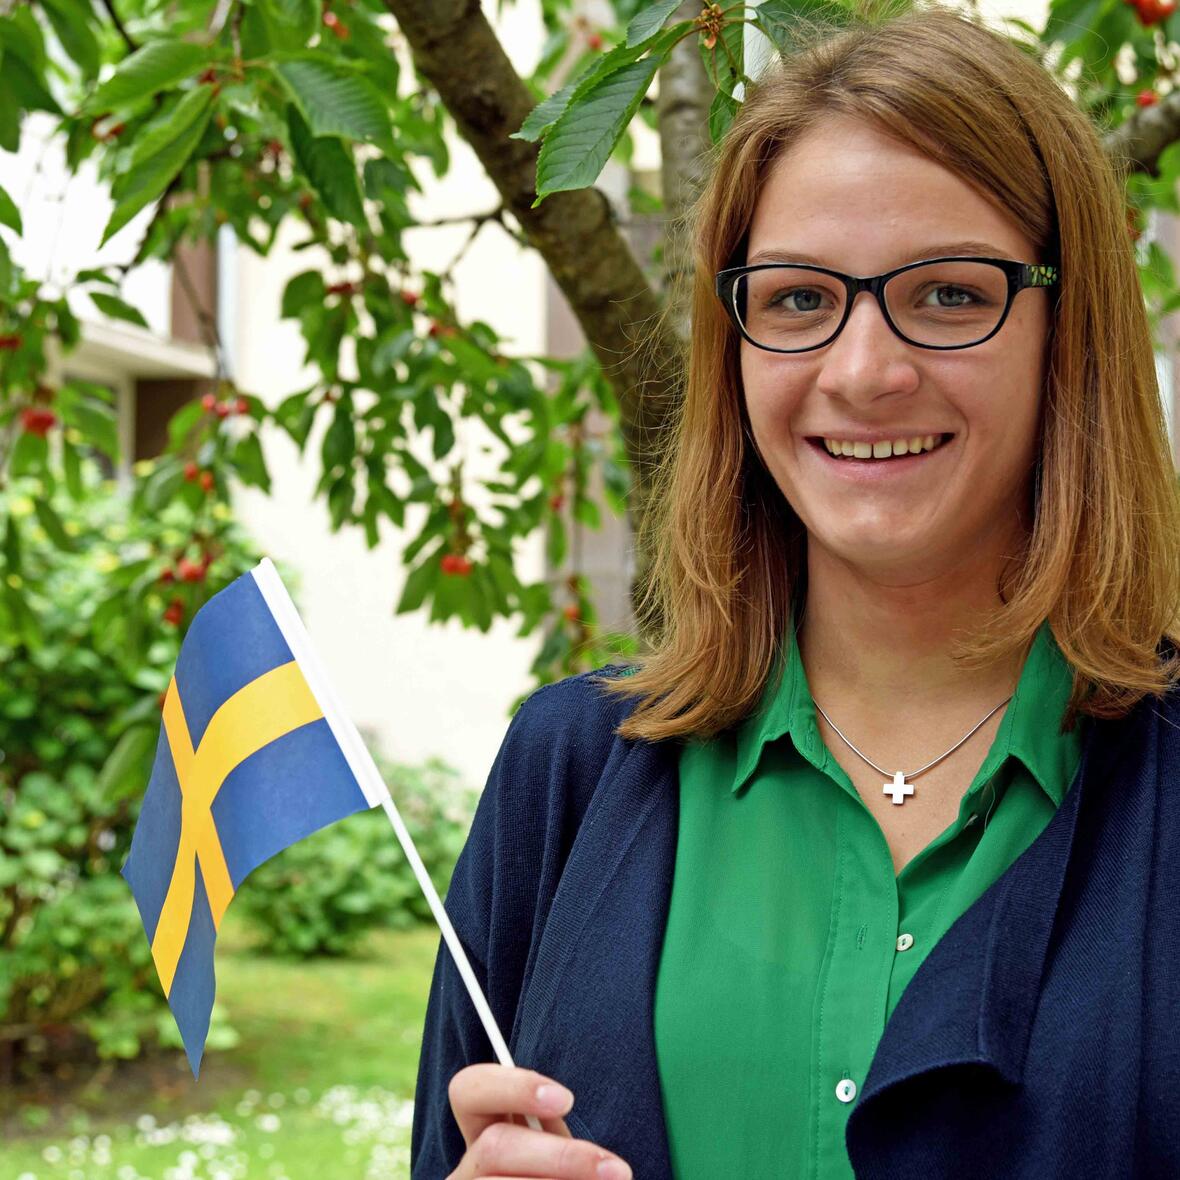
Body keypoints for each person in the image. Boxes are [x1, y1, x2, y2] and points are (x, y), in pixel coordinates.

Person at [412, 4, 1180, 1177]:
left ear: (1066, 331)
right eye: (796, 299)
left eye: (948, 294)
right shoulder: (564, 774)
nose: (863, 370)